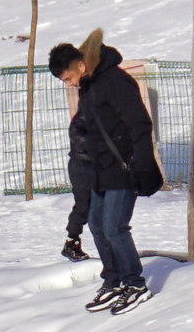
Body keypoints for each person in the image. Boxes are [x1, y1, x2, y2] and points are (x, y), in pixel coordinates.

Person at [49, 29, 162, 315]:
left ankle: (135, 284)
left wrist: (142, 163)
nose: (69, 84)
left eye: (68, 78)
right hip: (100, 168)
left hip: (124, 167)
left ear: (80, 65)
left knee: (114, 228)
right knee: (97, 225)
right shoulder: (89, 85)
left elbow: (140, 123)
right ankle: (114, 279)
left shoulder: (114, 81)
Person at [61, 99, 93, 263]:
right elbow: (78, 136)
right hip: (81, 166)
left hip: (94, 165)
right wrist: (97, 147)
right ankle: (71, 241)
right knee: (83, 205)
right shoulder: (83, 117)